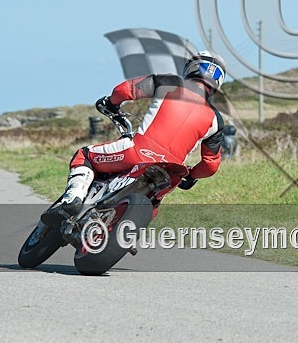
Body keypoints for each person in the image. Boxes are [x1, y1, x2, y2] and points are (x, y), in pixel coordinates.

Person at [42, 51, 226, 222]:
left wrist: (111, 103)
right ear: (218, 81)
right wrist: (192, 175)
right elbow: (211, 165)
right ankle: (124, 235)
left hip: (137, 153)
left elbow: (125, 90)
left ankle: (72, 199)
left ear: (192, 68)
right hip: (171, 173)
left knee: (85, 155)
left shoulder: (169, 83)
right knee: (152, 209)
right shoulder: (215, 119)